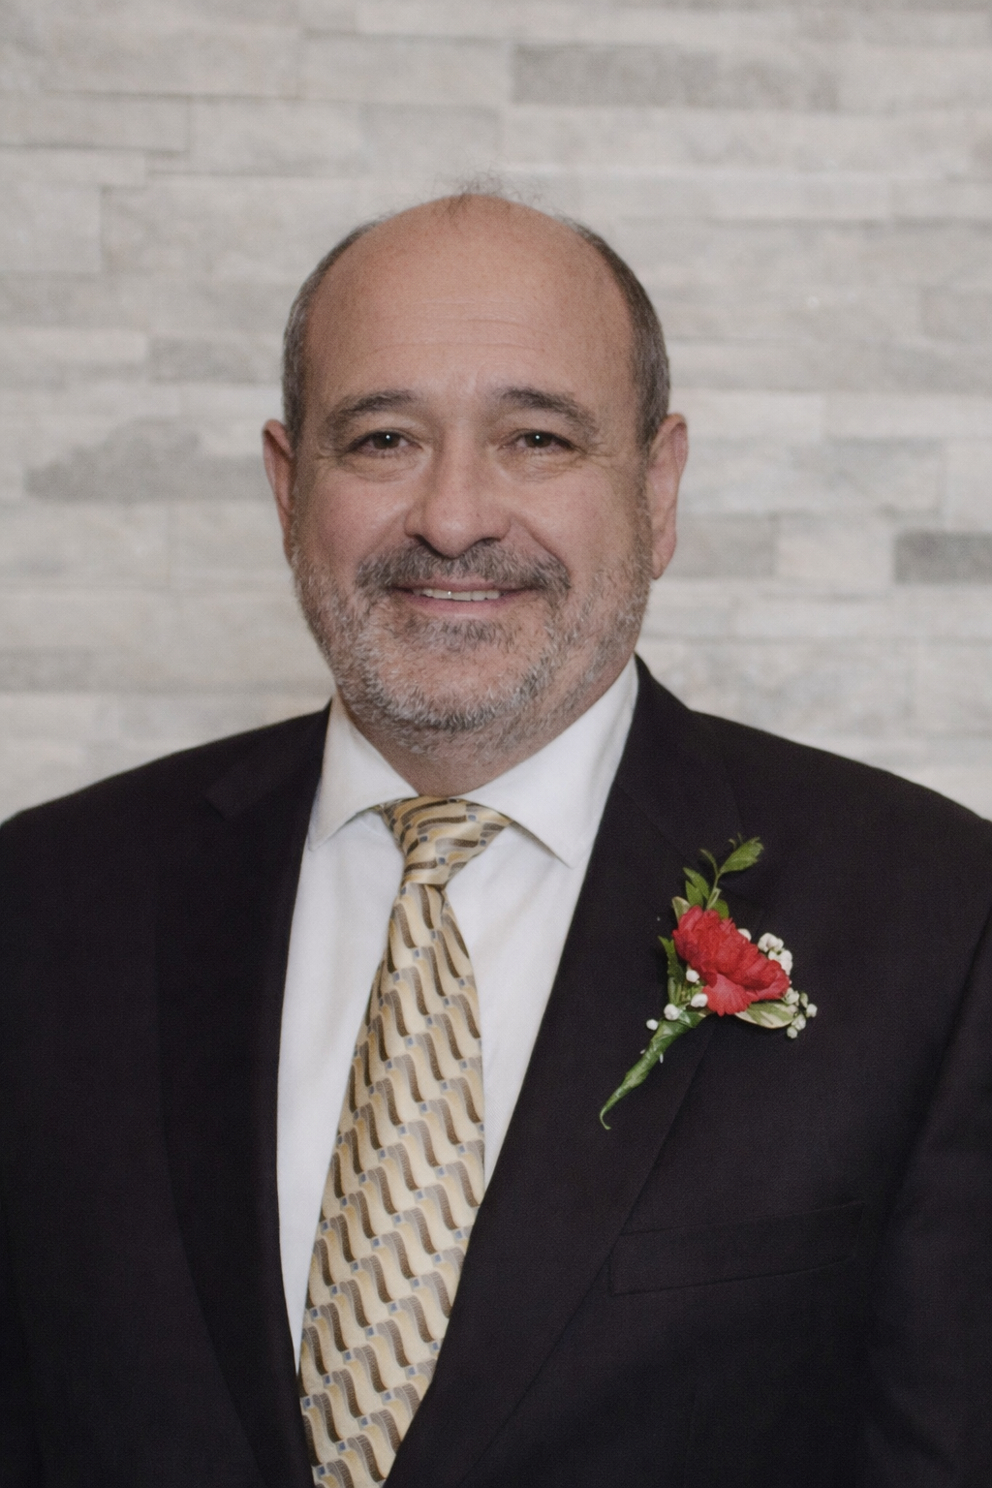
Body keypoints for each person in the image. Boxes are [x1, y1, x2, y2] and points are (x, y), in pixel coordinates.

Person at [1, 193, 990, 1488]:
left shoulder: (938, 921)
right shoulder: (43, 906)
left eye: (536, 438)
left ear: (657, 488)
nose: (455, 515)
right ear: (289, 489)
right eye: (383, 438)